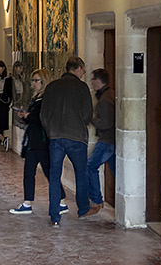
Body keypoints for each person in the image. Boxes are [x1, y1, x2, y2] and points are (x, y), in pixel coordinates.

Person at [40, 56, 95, 225]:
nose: (83, 73)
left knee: (55, 176)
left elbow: (44, 114)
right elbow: (87, 114)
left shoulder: (52, 87)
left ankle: (55, 216)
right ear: (77, 68)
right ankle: (83, 209)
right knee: (81, 174)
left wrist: (51, 131)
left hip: (56, 137)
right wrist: (80, 124)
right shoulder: (82, 87)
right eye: (83, 70)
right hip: (76, 137)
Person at [8, 69, 65, 216]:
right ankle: (30, 202)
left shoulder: (46, 98)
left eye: (36, 80)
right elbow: (34, 117)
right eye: (32, 80)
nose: (33, 83)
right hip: (34, 140)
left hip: (41, 141)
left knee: (47, 172)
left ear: (43, 81)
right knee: (31, 172)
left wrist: (28, 115)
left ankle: (60, 201)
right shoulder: (37, 97)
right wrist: (25, 115)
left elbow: (42, 119)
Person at [86, 68, 115, 208]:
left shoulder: (105, 99)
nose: (91, 83)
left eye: (93, 79)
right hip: (111, 141)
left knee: (90, 166)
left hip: (106, 141)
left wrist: (92, 119)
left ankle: (96, 200)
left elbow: (105, 123)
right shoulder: (108, 96)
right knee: (116, 172)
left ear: (99, 81)